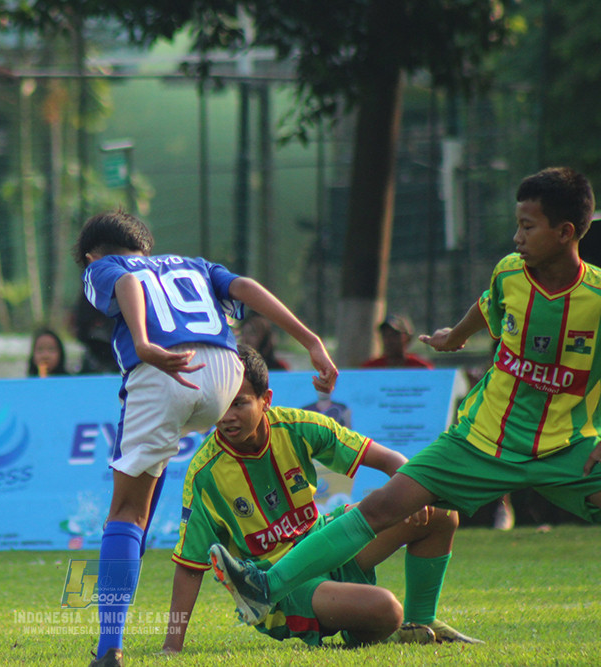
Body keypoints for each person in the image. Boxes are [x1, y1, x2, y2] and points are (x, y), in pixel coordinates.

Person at [208, 167, 601, 642]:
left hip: (565, 447)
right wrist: (455, 337)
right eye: (516, 224)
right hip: (480, 439)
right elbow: (488, 303)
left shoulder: (596, 299)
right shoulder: (509, 273)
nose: (516, 237)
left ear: (565, 233)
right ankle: (266, 586)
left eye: (528, 226)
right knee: (385, 505)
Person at [77, 209, 337, 667]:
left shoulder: (106, 266)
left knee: (124, 511)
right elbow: (246, 289)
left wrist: (141, 341)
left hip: (164, 369)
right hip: (225, 370)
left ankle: (108, 647)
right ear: (147, 249)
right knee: (143, 496)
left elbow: (127, 286)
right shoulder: (190, 264)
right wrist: (310, 339)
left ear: (92, 255)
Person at [163, 344, 472, 652]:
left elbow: (391, 460)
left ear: (265, 400)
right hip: (281, 589)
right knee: (386, 610)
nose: (228, 417)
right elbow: (189, 565)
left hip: (325, 542)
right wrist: (172, 646)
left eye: (239, 404)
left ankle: (423, 619)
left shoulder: (297, 427)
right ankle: (371, 625)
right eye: (220, 405)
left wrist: (413, 493)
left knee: (440, 512)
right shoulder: (205, 473)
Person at [361, 314, 434, 369]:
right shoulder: (371, 368)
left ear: (407, 338)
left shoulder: (420, 367)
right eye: (385, 335)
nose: (389, 340)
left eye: (394, 335)